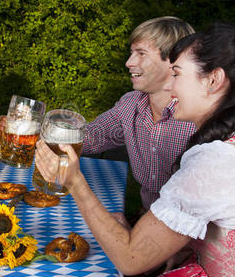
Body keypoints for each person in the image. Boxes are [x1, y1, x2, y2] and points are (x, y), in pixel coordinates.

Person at [35, 23, 235, 277]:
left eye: (178, 74)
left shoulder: (215, 161)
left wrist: (75, 182)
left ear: (213, 80)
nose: (171, 87)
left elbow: (131, 259)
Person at [82, 16, 196, 210]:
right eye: (131, 52)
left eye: (141, 53)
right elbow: (90, 138)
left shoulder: (198, 117)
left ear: (173, 61)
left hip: (192, 232)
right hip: (149, 218)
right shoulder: (131, 103)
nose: (129, 62)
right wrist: (34, 130)